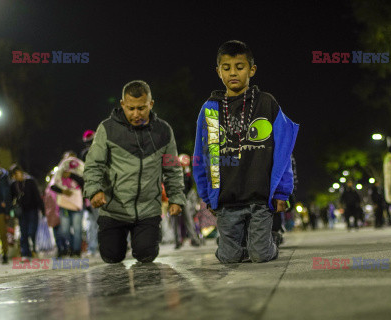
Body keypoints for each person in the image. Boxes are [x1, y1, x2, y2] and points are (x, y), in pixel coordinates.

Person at [193, 40, 298, 263]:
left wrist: (282, 192)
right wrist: (207, 196)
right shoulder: (210, 109)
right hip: (227, 200)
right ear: (218, 71)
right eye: (227, 67)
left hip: (259, 199)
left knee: (260, 255)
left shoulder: (266, 102)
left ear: (252, 70)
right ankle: (235, 242)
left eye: (240, 67)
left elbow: (283, 151)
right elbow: (202, 156)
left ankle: (268, 239)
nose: (233, 73)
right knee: (228, 258)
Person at [83, 80, 186, 264]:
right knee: (111, 256)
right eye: (130, 108)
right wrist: (94, 190)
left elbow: (172, 169)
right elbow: (93, 165)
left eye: (141, 108)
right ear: (122, 104)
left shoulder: (164, 131)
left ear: (151, 104)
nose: (136, 114)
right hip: (113, 210)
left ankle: (145, 243)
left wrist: (176, 198)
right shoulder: (106, 129)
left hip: (148, 210)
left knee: (146, 255)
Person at [51, 151, 84, 257]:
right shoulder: (59, 171)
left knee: (77, 228)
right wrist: (63, 191)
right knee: (64, 230)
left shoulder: (80, 169)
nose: (70, 162)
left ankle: (76, 251)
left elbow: (84, 182)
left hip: (77, 204)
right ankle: (72, 246)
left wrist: (72, 175)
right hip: (64, 204)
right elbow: (53, 185)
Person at [9, 164, 45, 260]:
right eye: (13, 175)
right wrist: (11, 211)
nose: (15, 176)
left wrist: (42, 209)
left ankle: (34, 249)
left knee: (31, 231)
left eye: (16, 174)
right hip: (22, 211)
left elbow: (37, 196)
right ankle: (26, 253)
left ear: (21, 172)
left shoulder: (30, 181)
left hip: (33, 209)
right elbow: (11, 198)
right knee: (23, 232)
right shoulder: (13, 184)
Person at [171, 154, 201, 249]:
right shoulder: (173, 171)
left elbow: (190, 185)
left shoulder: (187, 172)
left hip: (185, 198)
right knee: (174, 221)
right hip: (175, 198)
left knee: (189, 219)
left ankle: (194, 239)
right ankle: (177, 241)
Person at [80, 130, 99, 256]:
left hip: (95, 191)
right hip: (93, 192)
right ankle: (93, 247)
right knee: (94, 222)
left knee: (94, 222)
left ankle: (94, 248)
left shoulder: (99, 150)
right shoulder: (87, 153)